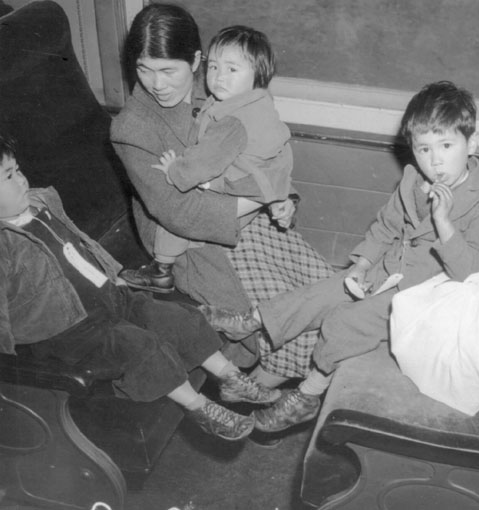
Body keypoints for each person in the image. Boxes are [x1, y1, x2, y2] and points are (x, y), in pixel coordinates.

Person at [201, 81, 479, 432]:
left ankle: (307, 395)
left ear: (472, 143)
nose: (434, 160)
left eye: (446, 145)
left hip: (428, 300)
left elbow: (471, 274)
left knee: (343, 322)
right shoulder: (413, 180)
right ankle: (252, 321)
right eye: (423, 149)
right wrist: (361, 265)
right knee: (325, 290)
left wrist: (444, 223)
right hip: (388, 272)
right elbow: (385, 228)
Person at [0, 133, 282, 442]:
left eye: (18, 170)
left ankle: (230, 377)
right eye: (8, 177)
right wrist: (9, 364)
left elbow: (80, 242)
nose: (22, 180)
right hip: (67, 331)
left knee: (179, 318)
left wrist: (113, 273)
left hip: (107, 296)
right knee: (141, 345)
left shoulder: (40, 202)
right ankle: (200, 407)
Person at [110, 3, 332, 387]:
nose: (156, 84)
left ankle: (276, 385)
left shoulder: (225, 86)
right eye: (144, 70)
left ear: (197, 61)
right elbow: (177, 210)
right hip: (191, 241)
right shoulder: (132, 126)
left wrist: (283, 199)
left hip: (249, 219)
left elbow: (265, 153)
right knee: (288, 316)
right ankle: (265, 393)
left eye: (168, 71)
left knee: (326, 289)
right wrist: (262, 196)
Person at [120, 25, 293, 294]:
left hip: (237, 198)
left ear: (192, 61)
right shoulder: (255, 102)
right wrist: (273, 194)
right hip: (221, 214)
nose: (219, 77)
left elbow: (198, 166)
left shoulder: (232, 117)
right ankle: (163, 269)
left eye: (231, 70)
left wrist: (175, 169)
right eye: (214, 67)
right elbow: (177, 212)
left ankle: (161, 269)